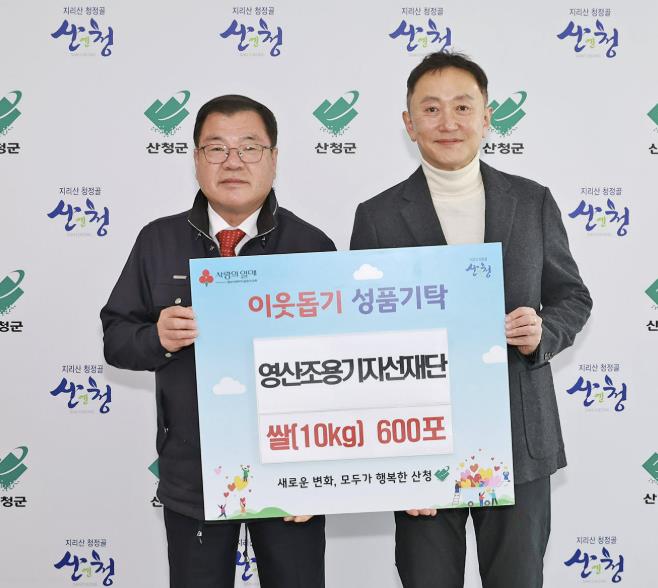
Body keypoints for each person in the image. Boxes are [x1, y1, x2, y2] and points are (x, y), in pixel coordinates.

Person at [350, 52, 592, 588]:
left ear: (487, 117)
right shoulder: (377, 216)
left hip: (518, 435)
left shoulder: (532, 201)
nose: (448, 122)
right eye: (431, 109)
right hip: (418, 440)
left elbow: (572, 297)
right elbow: (362, 336)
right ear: (409, 122)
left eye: (462, 107)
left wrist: (542, 332)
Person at [101, 94, 334, 588]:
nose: (233, 162)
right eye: (216, 148)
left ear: (273, 158)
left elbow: (339, 364)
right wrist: (157, 338)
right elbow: (117, 338)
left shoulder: (312, 245)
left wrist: (319, 473)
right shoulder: (158, 240)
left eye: (249, 147)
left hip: (290, 472)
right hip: (195, 474)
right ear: (196, 158)